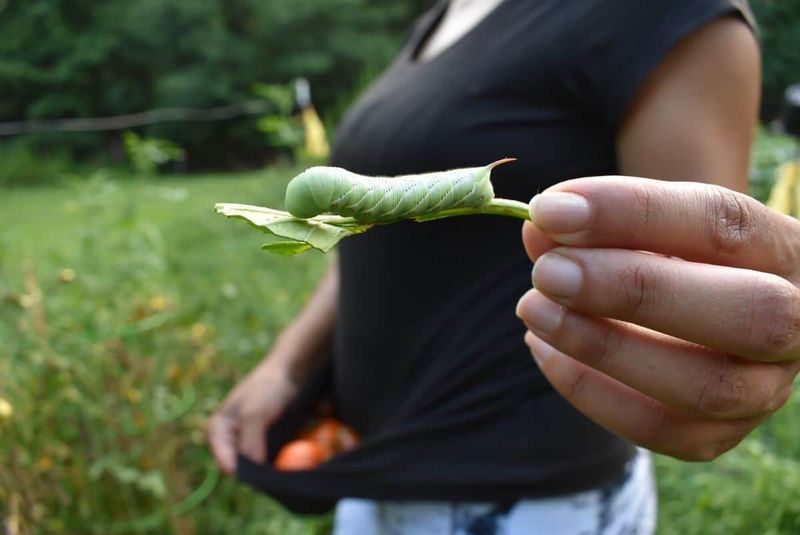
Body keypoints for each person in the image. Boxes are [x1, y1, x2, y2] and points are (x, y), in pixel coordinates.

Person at [207, 0, 793, 533]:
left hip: (519, 495)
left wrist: (736, 341)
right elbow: (370, 237)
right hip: (379, 465)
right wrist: (285, 365)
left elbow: (694, 283)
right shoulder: (442, 16)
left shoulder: (668, 14)